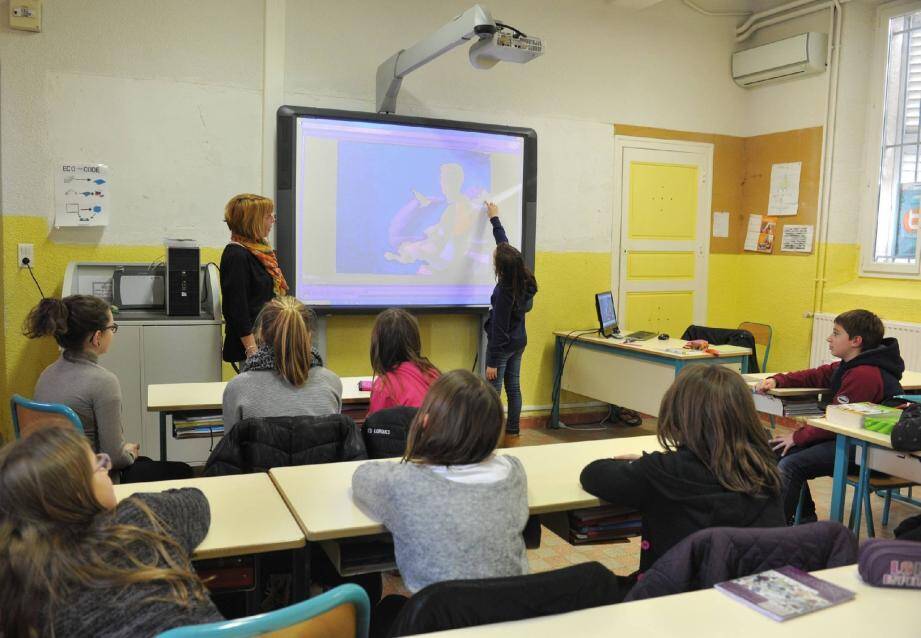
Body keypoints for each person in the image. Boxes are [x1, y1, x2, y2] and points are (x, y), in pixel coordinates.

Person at [0, 426, 221, 637]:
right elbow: (196, 502)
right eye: (97, 464)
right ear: (78, 493)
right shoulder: (141, 517)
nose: (105, 468)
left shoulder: (23, 589)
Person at [581, 365, 785, 578]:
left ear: (679, 414)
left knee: (590, 579)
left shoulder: (665, 472)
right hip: (741, 596)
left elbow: (593, 474)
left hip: (671, 596)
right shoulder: (764, 465)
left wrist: (643, 465)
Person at [352, 369, 528, 597]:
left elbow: (361, 477)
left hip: (437, 622)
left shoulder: (404, 483)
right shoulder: (514, 474)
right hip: (512, 615)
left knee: (390, 607)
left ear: (426, 422)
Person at [756, 309, 904, 523]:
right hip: (846, 438)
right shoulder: (850, 365)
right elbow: (815, 375)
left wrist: (797, 437)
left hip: (867, 450)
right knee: (776, 451)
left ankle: (775, 529)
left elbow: (836, 419)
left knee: (791, 464)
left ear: (856, 341)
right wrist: (777, 380)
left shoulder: (864, 374)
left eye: (836, 333)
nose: (829, 338)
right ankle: (804, 520)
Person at [25, 295, 192, 483]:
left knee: (146, 463)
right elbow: (114, 457)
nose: (113, 333)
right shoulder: (103, 382)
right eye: (112, 328)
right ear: (97, 337)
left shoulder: (46, 374)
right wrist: (129, 452)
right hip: (94, 480)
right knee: (182, 471)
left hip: (54, 479)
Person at [222, 296, 342, 429]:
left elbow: (231, 445)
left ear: (261, 333)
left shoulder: (237, 388)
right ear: (308, 335)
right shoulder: (331, 383)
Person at [484, 202, 538, 436]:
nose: (495, 254)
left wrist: (493, 362)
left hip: (504, 346)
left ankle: (489, 434)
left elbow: (499, 329)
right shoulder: (522, 278)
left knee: (492, 391)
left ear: (501, 268)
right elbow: (503, 244)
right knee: (514, 388)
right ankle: (513, 430)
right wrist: (495, 220)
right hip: (519, 343)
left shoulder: (506, 291)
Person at [220, 193, 287, 367]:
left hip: (268, 341)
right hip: (252, 347)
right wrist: (252, 351)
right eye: (268, 216)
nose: (273, 220)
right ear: (253, 220)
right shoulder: (237, 255)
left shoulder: (261, 252)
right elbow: (237, 308)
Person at [368, 308, 440, 416]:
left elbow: (373, 426)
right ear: (415, 340)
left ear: (379, 345)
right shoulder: (434, 373)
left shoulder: (383, 386)